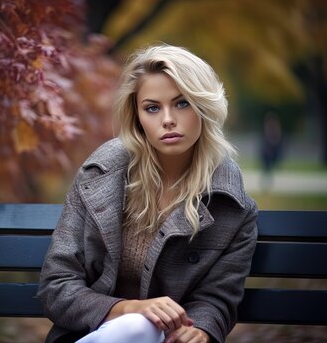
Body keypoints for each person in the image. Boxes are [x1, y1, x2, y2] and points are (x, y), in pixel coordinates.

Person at [37, 44, 258, 343]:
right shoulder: (99, 176)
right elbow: (57, 286)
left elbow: (218, 298)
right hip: (88, 333)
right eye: (152, 108)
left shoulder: (232, 206)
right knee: (137, 327)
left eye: (182, 104)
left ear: (204, 106)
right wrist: (131, 309)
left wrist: (201, 331)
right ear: (137, 116)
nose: (167, 119)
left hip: (169, 340)